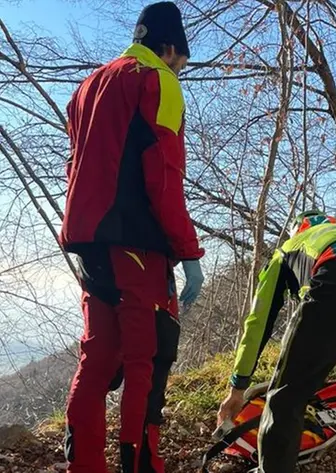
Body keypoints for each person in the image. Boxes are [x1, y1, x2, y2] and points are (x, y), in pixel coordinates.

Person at [59, 3, 205, 472]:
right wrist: (188, 250)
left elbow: (76, 166)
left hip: (88, 245)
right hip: (136, 244)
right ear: (169, 47)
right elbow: (163, 175)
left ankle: (84, 465)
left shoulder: (87, 87)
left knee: (96, 357)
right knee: (145, 359)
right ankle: (142, 466)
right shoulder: (157, 79)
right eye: (180, 59)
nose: (180, 68)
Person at [216, 211, 336, 473]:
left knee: (287, 394)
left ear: (298, 229)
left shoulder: (288, 248)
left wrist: (238, 386)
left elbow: (258, 322)